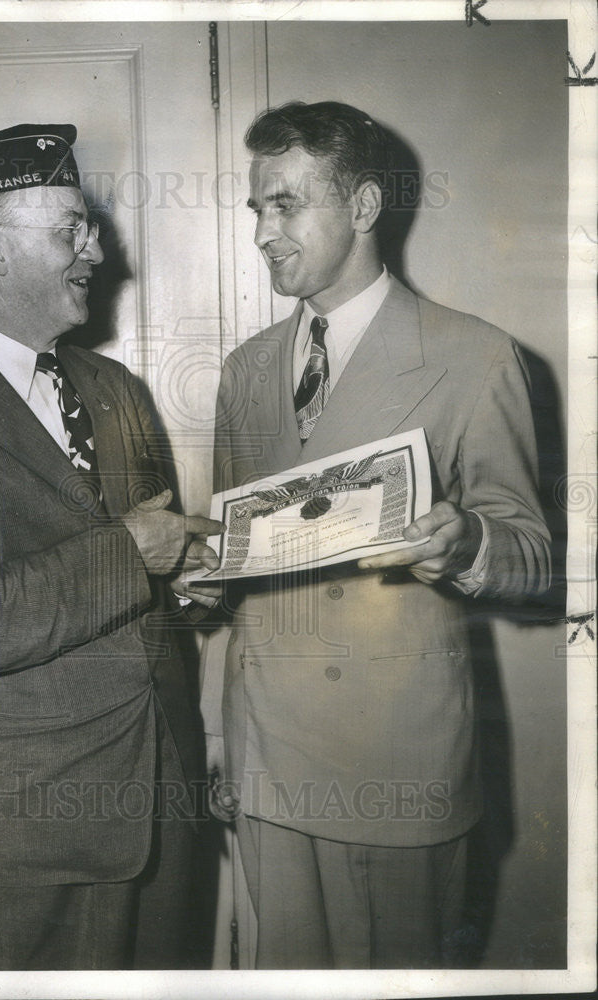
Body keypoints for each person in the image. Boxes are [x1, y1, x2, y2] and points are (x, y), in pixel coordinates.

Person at [0, 123, 222, 971]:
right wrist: (136, 553)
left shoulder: (115, 390)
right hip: (40, 828)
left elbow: (143, 580)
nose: (96, 249)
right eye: (70, 230)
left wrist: (187, 582)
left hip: (166, 800)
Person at [204, 101, 551, 969]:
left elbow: (533, 552)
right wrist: (218, 736)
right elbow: (234, 567)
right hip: (268, 762)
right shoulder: (244, 370)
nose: (263, 233)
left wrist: (466, 542)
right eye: (257, 209)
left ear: (361, 207)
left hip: (394, 765)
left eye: (285, 204)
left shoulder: (474, 354)